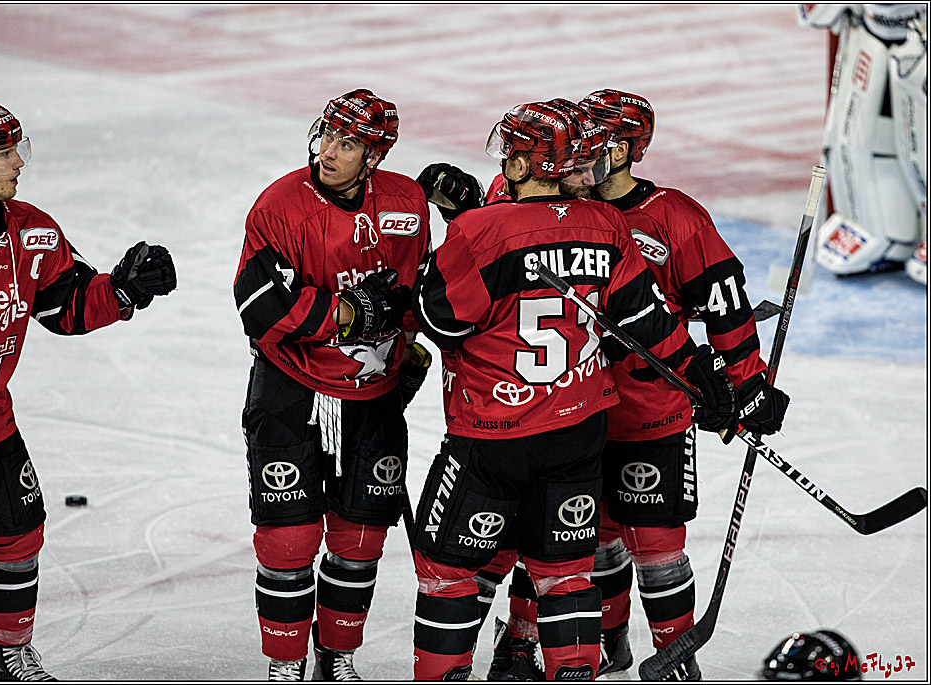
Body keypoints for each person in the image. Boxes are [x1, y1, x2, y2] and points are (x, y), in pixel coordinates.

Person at [409, 99, 739, 681]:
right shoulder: (606, 225)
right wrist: (702, 376)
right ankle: (554, 661)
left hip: (497, 433)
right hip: (580, 428)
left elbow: (442, 322)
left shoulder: (482, 229)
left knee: (451, 570)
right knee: (567, 573)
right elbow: (645, 321)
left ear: (523, 162)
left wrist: (442, 253)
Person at [471, 90, 791, 681]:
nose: (578, 152)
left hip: (649, 410)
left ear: (621, 149)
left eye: (593, 140)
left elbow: (724, 305)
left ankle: (674, 659)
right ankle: (533, 641)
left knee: (656, 543)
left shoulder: (677, 218)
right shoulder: (547, 199)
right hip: (565, 410)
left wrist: (747, 385)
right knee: (555, 540)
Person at [0, 100, 177, 682]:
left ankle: (13, 654)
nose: (18, 164)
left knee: (19, 538)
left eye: (16, 150)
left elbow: (67, 307)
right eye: (4, 154)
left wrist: (125, 289)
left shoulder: (32, 228)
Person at [233, 88, 431, 681]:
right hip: (293, 390)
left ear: (374, 155)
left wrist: (411, 342)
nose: (329, 152)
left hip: (374, 396)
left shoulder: (407, 202)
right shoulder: (279, 207)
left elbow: (419, 288)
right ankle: (285, 664)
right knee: (288, 541)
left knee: (361, 537)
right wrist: (348, 315)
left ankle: (337, 657)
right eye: (327, 136)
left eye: (348, 144)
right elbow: (260, 308)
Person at [798, 4, 927, 284]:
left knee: (917, 139)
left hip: (917, 38)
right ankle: (876, 229)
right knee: (852, 135)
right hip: (872, 34)